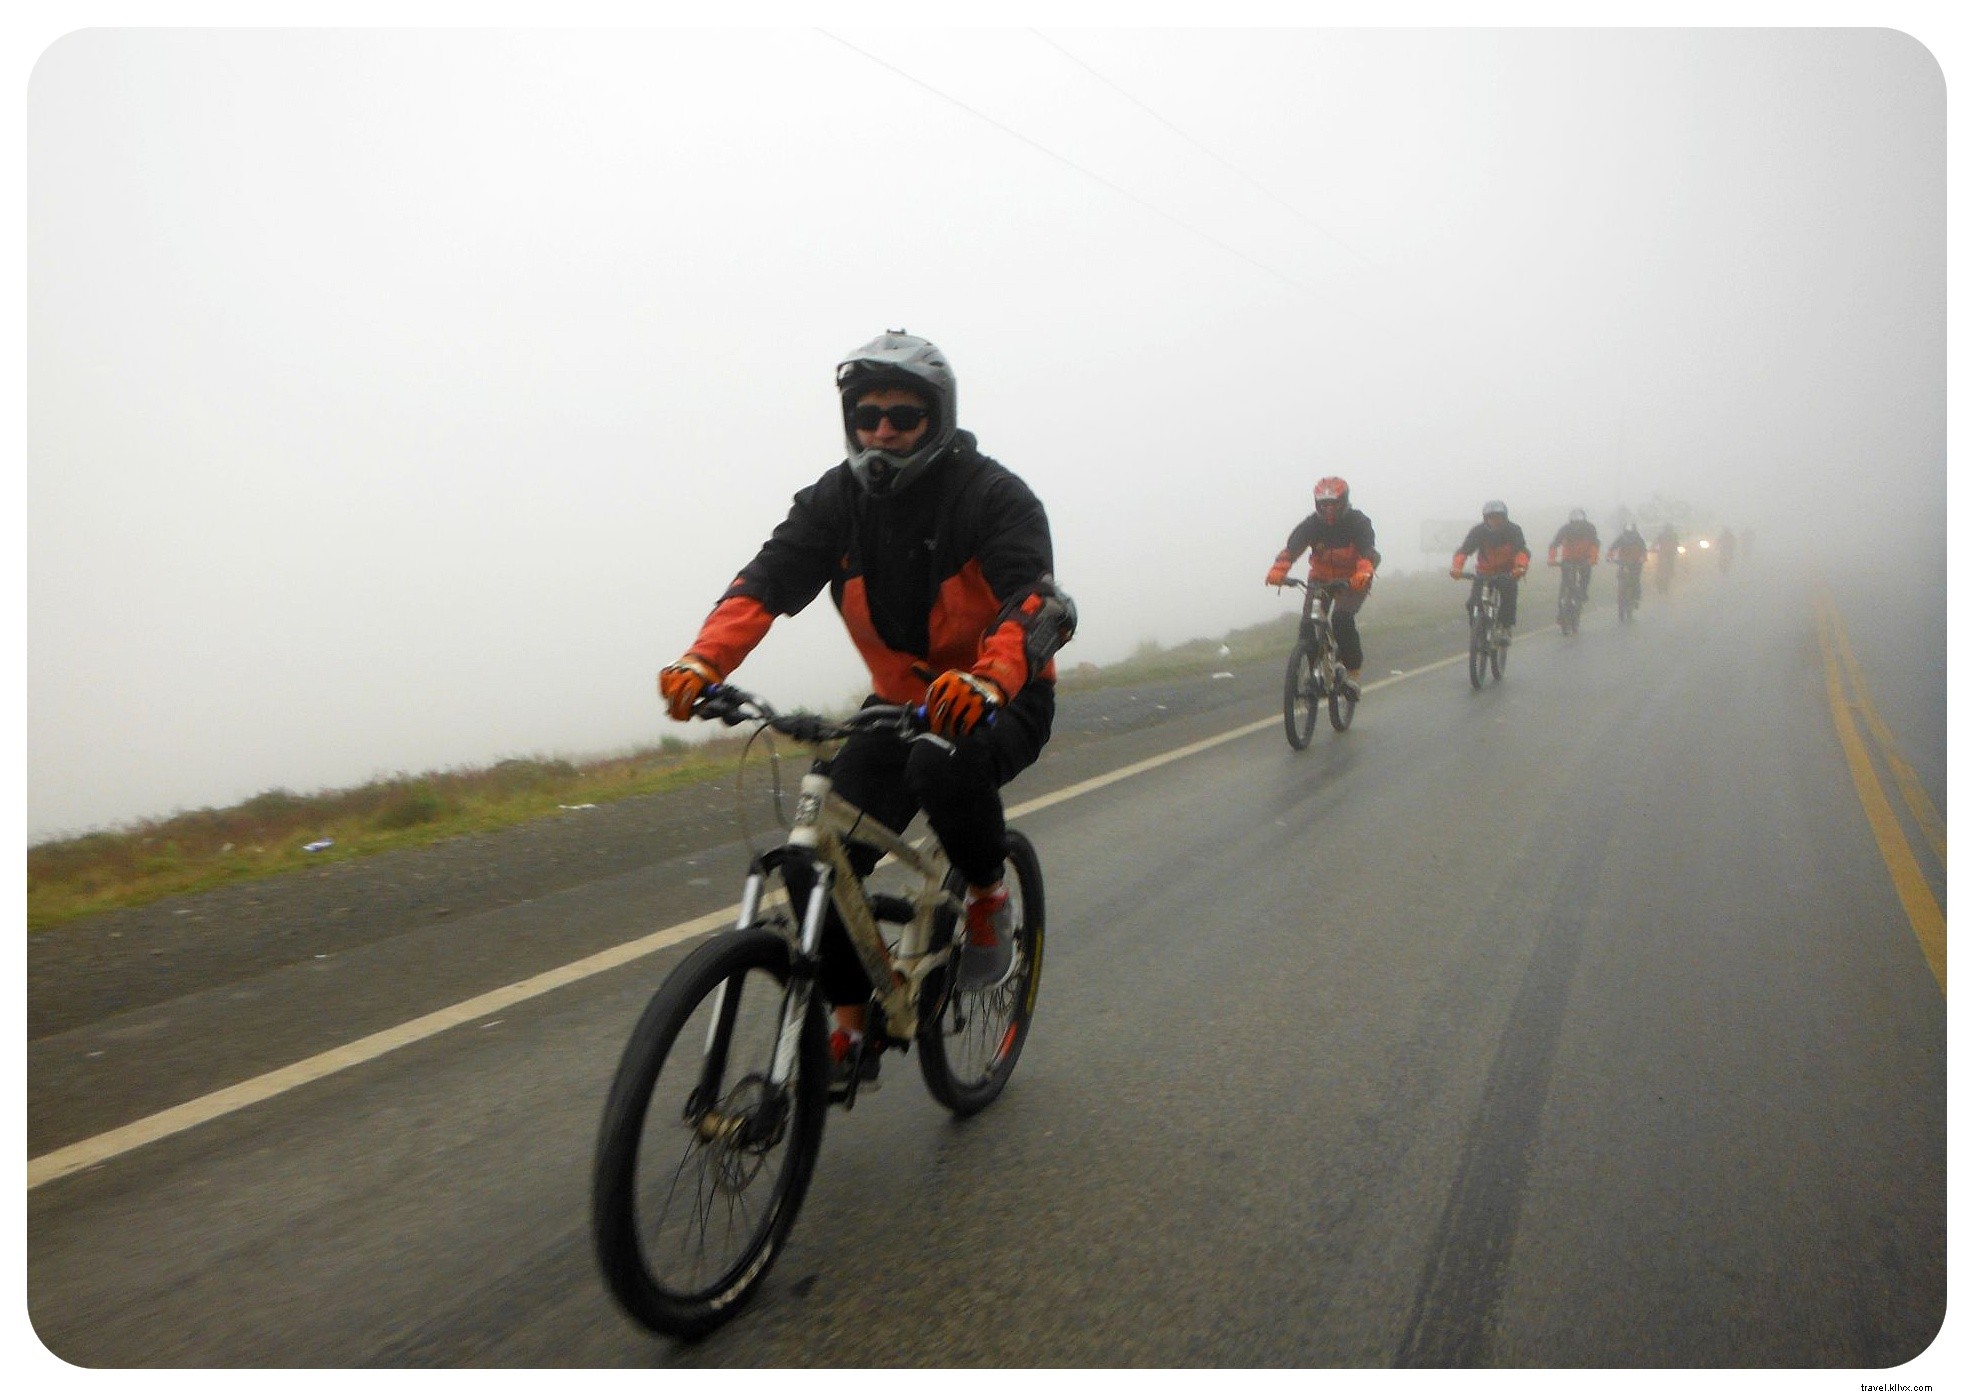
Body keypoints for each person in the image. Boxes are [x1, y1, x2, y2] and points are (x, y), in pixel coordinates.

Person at [656, 330, 1075, 1087]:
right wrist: (703, 660)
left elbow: (1042, 604)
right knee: (814, 864)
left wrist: (988, 678)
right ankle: (853, 1027)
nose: (882, 430)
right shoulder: (834, 502)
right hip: (896, 705)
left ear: (937, 419)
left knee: (940, 765)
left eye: (903, 416)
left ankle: (987, 894)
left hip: (999, 696)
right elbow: (768, 578)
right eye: (867, 415)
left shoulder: (992, 496)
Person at [1265, 476, 1379, 698]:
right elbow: (1291, 549)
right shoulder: (1311, 525)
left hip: (1354, 578)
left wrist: (1363, 572)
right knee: (1307, 625)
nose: (1328, 509)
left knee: (1341, 619)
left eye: (1333, 503)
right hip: (1320, 578)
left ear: (1344, 501)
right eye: (1323, 504)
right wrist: (1279, 570)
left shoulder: (1358, 522)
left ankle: (1352, 674)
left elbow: (1367, 552)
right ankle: (1312, 671)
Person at [1450, 499, 1531, 636]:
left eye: (1498, 517)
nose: (1495, 521)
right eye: (1491, 518)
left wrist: (1520, 567)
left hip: (1507, 573)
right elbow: (1464, 551)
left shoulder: (1513, 530)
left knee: (1508, 598)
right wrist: (1457, 568)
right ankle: (1477, 632)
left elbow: (1521, 551)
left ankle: (1505, 627)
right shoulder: (1478, 531)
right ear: (1485, 518)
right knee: (1472, 603)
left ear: (1504, 517)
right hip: (1484, 573)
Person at [1547, 508, 1601, 618]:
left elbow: (1595, 544)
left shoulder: (1589, 528)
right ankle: (1561, 611)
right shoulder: (1565, 529)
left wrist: (1592, 559)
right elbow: (1554, 544)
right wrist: (1552, 559)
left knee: (1585, 575)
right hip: (1568, 560)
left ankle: (1582, 592)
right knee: (1565, 584)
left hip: (1584, 559)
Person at [1606, 520, 1648, 611]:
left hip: (1636, 563)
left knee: (1635, 579)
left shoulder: (1638, 539)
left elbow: (1644, 550)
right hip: (1623, 562)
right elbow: (1612, 548)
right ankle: (1620, 594)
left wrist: (1643, 558)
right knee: (1620, 577)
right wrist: (1609, 557)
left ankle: (1636, 597)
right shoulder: (1621, 538)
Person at [1653, 522, 1681, 593]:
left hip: (1666, 555)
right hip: (1667, 555)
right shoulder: (1671, 535)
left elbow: (1677, 544)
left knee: (1664, 570)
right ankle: (1663, 586)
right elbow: (1656, 543)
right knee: (1666, 570)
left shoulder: (1665, 535)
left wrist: (1654, 548)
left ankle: (1662, 586)